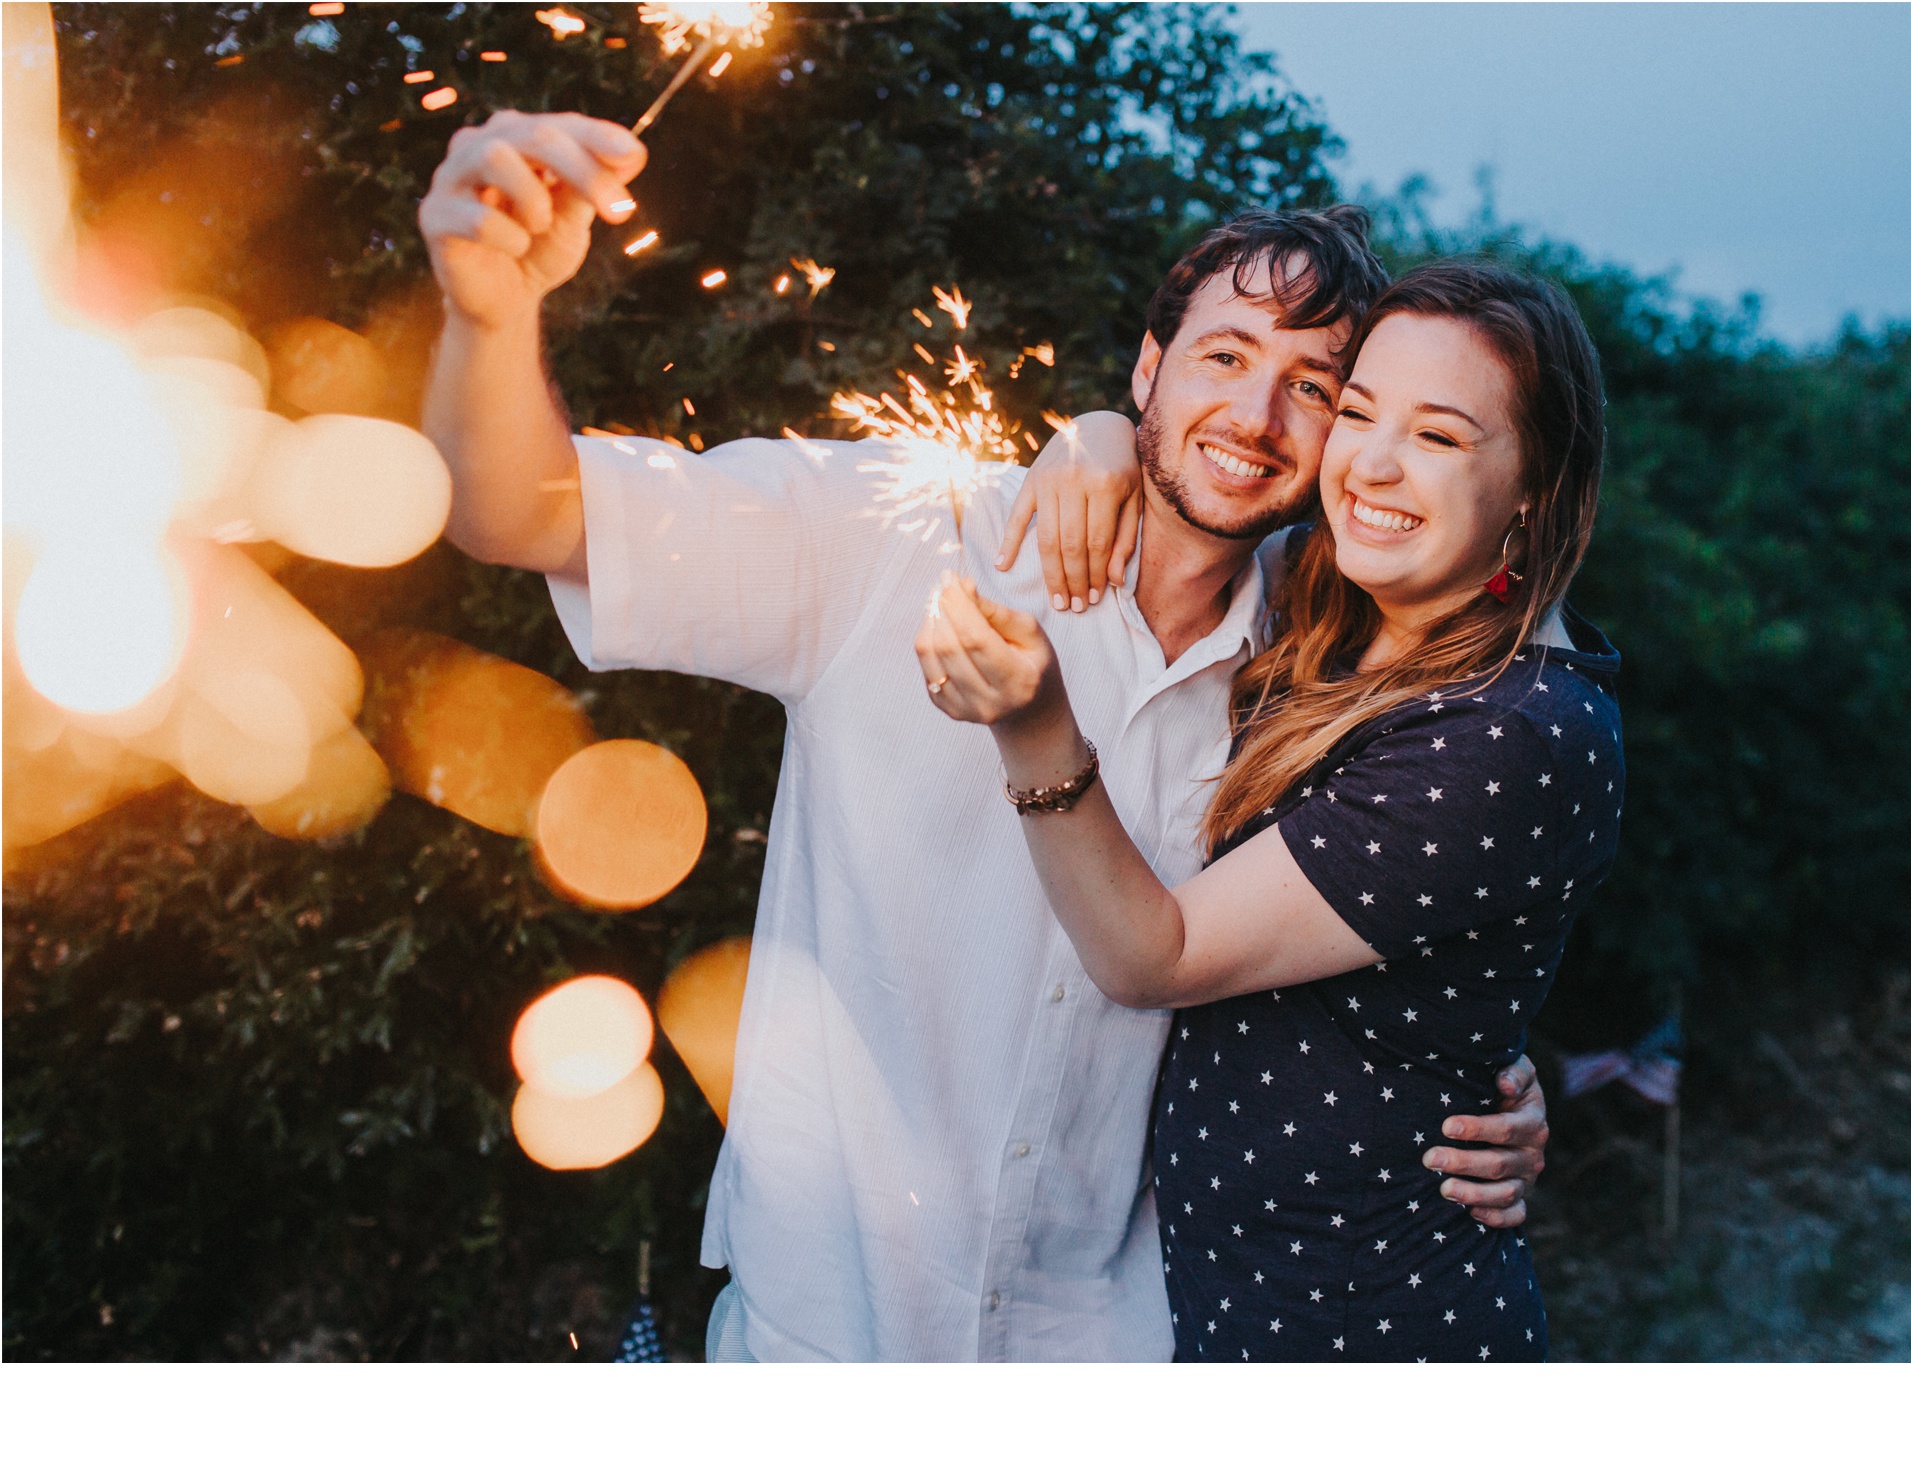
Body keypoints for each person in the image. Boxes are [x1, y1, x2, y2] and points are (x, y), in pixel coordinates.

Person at [416, 108, 1551, 1362]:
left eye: (1312, 388)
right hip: (818, 1337)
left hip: (1106, 1353)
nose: (1255, 413)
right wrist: (486, 315)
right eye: (1222, 357)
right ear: (1142, 370)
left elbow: (1446, 845)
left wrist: (1472, 1077)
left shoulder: (1323, 665)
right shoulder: (897, 535)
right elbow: (515, 511)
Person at [920, 259, 1620, 1361]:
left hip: (1363, 1330)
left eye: (1438, 436)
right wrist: (1104, 430)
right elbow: (1202, 483)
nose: (1372, 464)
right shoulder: (1328, 600)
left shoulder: (1514, 731)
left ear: (1532, 485)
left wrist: (1036, 727)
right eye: (1354, 412)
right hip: (1223, 1313)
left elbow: (1152, 956)